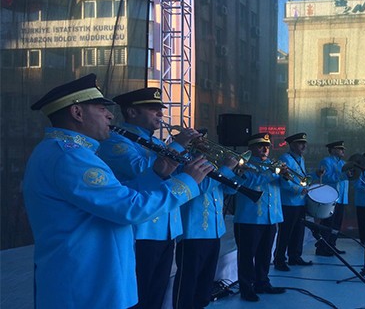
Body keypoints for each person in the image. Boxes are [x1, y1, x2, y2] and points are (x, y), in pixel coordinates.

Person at [23, 74, 212, 308]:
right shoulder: (70, 156)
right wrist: (185, 183)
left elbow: (116, 196)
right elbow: (128, 208)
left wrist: (158, 173)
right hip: (86, 287)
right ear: (77, 113)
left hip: (92, 281)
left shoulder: (68, 152)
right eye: (102, 108)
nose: (111, 115)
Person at [97, 88, 203, 309]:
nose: (160, 114)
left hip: (167, 226)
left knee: (157, 292)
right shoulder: (116, 141)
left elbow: (174, 173)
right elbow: (145, 170)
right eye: (153, 109)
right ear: (132, 112)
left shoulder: (157, 143)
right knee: (140, 294)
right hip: (142, 230)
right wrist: (178, 145)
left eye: (160, 110)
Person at [172, 151, 239, 309]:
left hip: (214, 231)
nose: (203, 143)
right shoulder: (186, 165)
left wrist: (234, 173)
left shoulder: (213, 166)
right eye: (198, 140)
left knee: (206, 281)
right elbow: (201, 186)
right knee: (187, 281)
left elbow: (230, 190)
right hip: (193, 232)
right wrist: (226, 168)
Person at [233, 133, 288, 302]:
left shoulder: (273, 166)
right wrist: (275, 173)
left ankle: (262, 282)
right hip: (249, 219)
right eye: (260, 146)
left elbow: (284, 186)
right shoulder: (244, 165)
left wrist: (285, 176)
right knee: (247, 255)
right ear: (251, 148)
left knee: (265, 253)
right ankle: (246, 287)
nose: (265, 149)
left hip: (271, 217)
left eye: (267, 146)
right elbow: (250, 182)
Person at [273, 132, 323, 271]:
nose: (304, 146)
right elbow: (284, 182)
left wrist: (315, 175)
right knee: (285, 233)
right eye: (300, 143)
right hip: (289, 202)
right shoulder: (286, 159)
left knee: (298, 231)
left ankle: (295, 256)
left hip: (299, 202)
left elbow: (302, 178)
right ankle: (279, 260)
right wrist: (298, 190)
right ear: (292, 145)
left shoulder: (300, 158)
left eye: (304, 143)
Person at [316, 140, 353, 256]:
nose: (342, 151)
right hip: (331, 197)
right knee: (328, 223)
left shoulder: (343, 163)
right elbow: (326, 177)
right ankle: (322, 247)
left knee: (337, 223)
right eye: (340, 149)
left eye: (343, 149)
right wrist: (343, 175)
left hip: (341, 197)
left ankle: (332, 245)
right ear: (332, 150)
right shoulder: (326, 161)